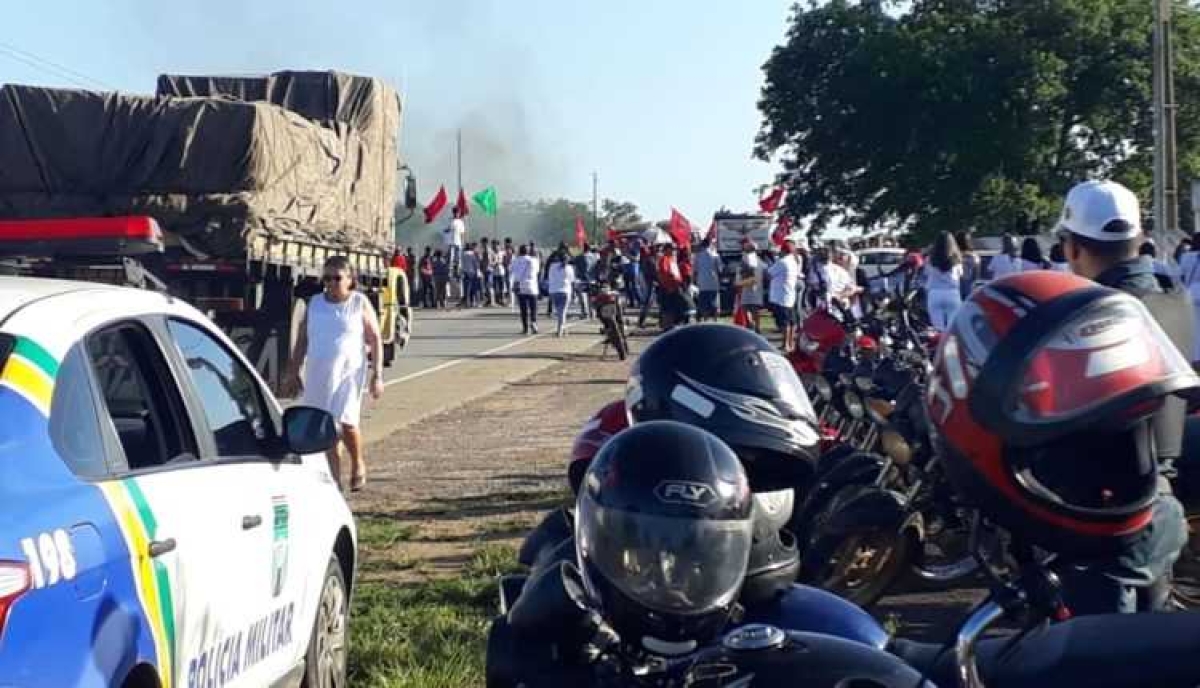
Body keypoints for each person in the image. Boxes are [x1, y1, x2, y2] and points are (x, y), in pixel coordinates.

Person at [1056, 179, 1198, 612]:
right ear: (1138, 239)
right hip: (1161, 499)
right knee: (1149, 648)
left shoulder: (1089, 314)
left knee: (1100, 653)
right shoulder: (1175, 299)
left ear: (1072, 248)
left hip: (1106, 513)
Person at [283, 256, 384, 491]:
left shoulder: (359, 303)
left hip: (349, 373)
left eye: (337, 278)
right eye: (326, 278)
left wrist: (377, 374)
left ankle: (358, 462)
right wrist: (293, 370)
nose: (331, 283)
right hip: (319, 373)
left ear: (350, 280)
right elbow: (302, 340)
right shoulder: (315, 303)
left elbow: (375, 338)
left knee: (347, 421)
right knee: (325, 426)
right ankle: (335, 480)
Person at [924, 231, 964, 332]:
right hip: (952, 292)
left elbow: (926, 273)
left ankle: (939, 345)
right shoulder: (957, 259)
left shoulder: (930, 259)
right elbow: (961, 275)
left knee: (938, 328)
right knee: (952, 328)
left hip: (935, 292)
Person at [768, 241, 801, 352]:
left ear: (783, 251)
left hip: (780, 295)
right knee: (792, 322)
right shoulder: (794, 261)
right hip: (790, 294)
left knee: (784, 322)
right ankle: (790, 343)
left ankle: (785, 344)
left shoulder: (782, 262)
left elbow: (769, 273)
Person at [510, 244, 540, 334]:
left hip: (521, 287)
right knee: (533, 308)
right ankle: (533, 322)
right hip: (532, 287)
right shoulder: (534, 260)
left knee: (523, 309)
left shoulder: (515, 260)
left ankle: (525, 328)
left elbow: (511, 270)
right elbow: (537, 271)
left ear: (520, 251)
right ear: (528, 251)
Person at [737, 240, 765, 333]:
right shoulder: (758, 259)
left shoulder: (748, 257)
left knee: (748, 307)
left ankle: (753, 326)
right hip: (755, 285)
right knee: (753, 308)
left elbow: (750, 270)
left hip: (750, 285)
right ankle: (755, 326)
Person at [547, 250, 576, 337]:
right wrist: (574, 293)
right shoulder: (569, 268)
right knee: (562, 312)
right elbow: (572, 281)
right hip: (565, 291)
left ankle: (564, 330)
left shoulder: (552, 266)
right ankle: (560, 330)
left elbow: (549, 277)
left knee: (560, 312)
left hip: (554, 291)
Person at [693, 238, 722, 322]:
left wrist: (695, 281)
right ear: (710, 244)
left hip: (702, 283)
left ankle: (705, 321)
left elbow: (695, 270)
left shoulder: (697, 256)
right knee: (715, 303)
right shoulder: (715, 255)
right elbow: (720, 269)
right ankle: (715, 320)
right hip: (713, 282)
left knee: (704, 304)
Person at [954, 230, 980, 298]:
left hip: (954, 285)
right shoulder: (973, 256)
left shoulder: (953, 255)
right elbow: (976, 274)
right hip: (968, 286)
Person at [459, 242, 482, 308]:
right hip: (472, 273)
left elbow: (462, 264)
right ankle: (477, 302)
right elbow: (475, 264)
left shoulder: (463, 254)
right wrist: (478, 271)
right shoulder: (472, 254)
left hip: (465, 273)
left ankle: (468, 303)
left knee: (467, 289)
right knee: (475, 288)